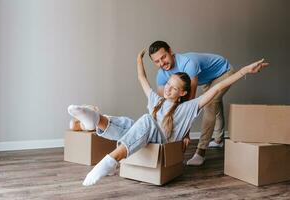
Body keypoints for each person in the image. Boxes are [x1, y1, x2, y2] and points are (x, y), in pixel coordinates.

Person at [67, 49, 268, 186]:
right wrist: (139, 60)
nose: (168, 89)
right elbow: (142, 79)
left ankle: (110, 161)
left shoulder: (189, 107)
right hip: (145, 137)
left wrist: (243, 71)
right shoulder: (157, 100)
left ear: (182, 93)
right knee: (129, 123)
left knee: (145, 121)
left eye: (173, 88)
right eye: (168, 84)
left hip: (162, 142)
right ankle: (94, 119)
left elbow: (217, 87)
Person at [149, 41, 235, 165]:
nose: (162, 63)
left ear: (170, 51)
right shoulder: (161, 75)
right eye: (157, 61)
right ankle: (218, 140)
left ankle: (201, 152)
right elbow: (164, 105)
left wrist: (186, 134)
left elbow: (189, 103)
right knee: (215, 103)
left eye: (164, 57)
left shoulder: (188, 63)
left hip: (224, 71)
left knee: (210, 103)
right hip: (208, 79)